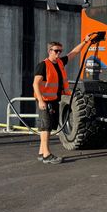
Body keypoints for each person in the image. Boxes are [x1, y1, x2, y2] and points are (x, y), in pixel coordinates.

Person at [33, 34, 93, 163]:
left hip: (53, 99)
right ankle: (47, 155)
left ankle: (41, 152)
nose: (58, 53)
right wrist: (41, 101)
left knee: (48, 126)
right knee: (46, 127)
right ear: (49, 51)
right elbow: (35, 84)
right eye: (56, 51)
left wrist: (85, 42)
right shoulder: (43, 65)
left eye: (60, 51)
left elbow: (74, 53)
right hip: (45, 100)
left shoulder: (60, 62)